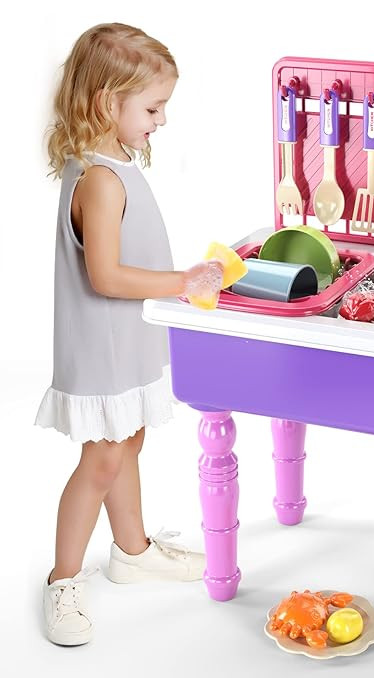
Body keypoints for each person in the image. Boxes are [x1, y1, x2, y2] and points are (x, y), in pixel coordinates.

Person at [35, 23, 222, 646]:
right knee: (102, 459)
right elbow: (106, 275)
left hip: (126, 340)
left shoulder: (113, 164)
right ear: (105, 101)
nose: (162, 120)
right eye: (152, 107)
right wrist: (184, 282)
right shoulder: (99, 179)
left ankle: (132, 551)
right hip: (102, 346)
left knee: (130, 440)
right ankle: (63, 579)